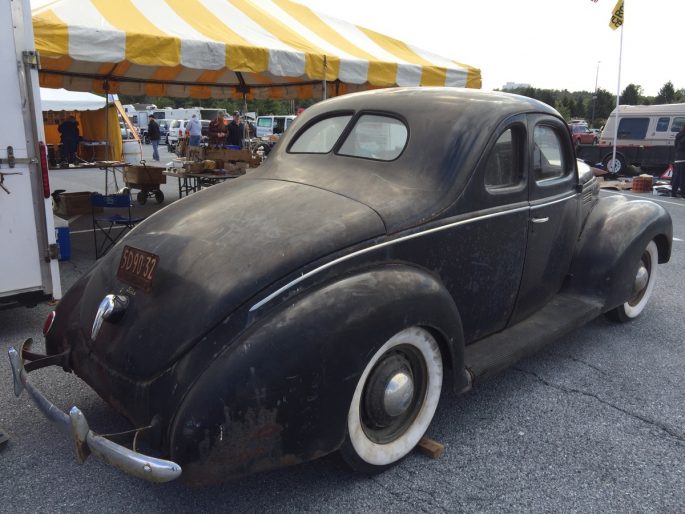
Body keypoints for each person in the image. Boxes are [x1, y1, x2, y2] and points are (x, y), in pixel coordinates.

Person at [673, 124, 685, 198]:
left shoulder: (679, 135)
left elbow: (676, 146)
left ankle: (673, 193)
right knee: (682, 177)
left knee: (677, 177)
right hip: (683, 158)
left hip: (677, 158)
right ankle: (683, 195)